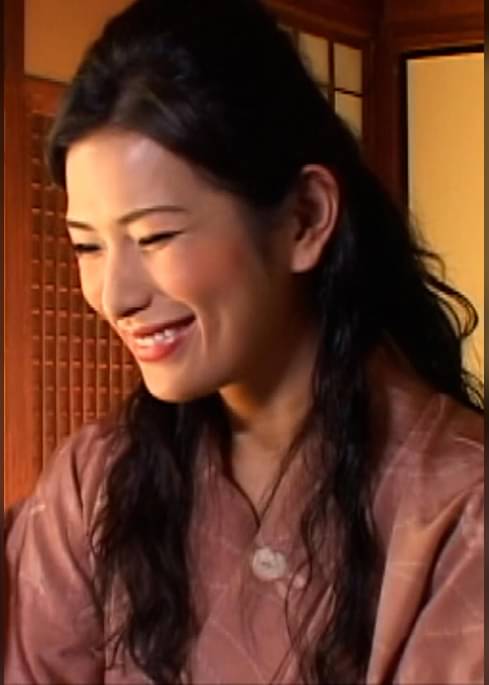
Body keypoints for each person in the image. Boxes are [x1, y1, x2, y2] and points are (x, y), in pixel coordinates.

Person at [5, 0, 484, 683]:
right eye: (87, 245)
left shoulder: (460, 506)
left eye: (155, 236)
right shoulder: (93, 485)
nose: (115, 295)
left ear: (304, 218)